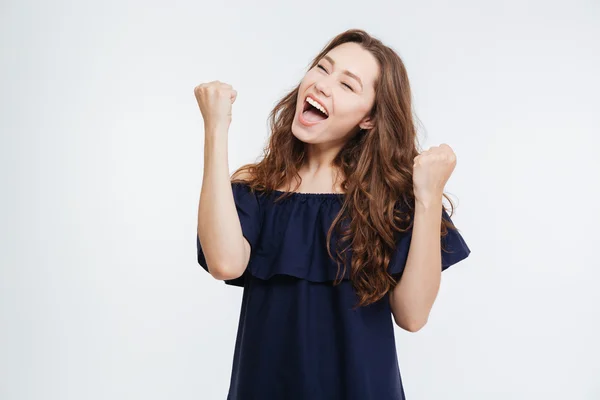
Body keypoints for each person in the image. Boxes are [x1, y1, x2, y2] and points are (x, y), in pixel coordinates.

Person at [194, 28, 471, 400]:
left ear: (369, 118)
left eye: (347, 85)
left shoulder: (394, 200)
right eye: (322, 69)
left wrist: (428, 196)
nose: (323, 85)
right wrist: (215, 127)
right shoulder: (254, 186)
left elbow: (412, 315)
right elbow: (225, 263)